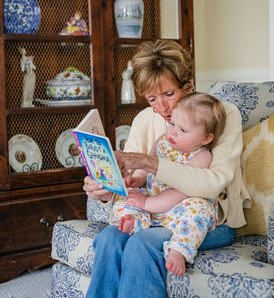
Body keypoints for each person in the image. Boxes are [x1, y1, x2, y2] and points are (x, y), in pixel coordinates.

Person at [84, 40, 251, 298]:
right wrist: (105, 189)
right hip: (154, 215)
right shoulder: (145, 120)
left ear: (189, 85)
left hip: (201, 221)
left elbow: (211, 184)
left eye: (169, 94)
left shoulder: (221, 115)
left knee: (141, 243)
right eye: (152, 98)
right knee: (109, 238)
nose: (162, 108)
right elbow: (134, 180)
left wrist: (147, 163)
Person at [111, 92, 226, 277]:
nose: (173, 131)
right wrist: (138, 179)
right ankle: (134, 221)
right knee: (129, 194)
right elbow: (146, 165)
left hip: (179, 209)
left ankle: (179, 250)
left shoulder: (201, 157)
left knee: (199, 208)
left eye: (183, 130)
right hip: (154, 203)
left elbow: (180, 193)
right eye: (172, 124)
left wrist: (146, 203)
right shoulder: (162, 142)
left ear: (205, 138)